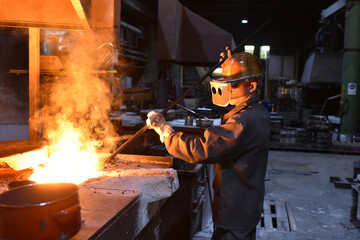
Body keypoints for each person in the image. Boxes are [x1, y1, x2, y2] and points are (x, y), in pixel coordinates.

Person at [147, 50, 270, 240]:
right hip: (244, 204)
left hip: (236, 209)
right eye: (225, 82)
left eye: (232, 84)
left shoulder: (245, 120)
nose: (227, 89)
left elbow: (202, 149)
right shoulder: (256, 110)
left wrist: (165, 130)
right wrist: (229, 65)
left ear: (251, 86)